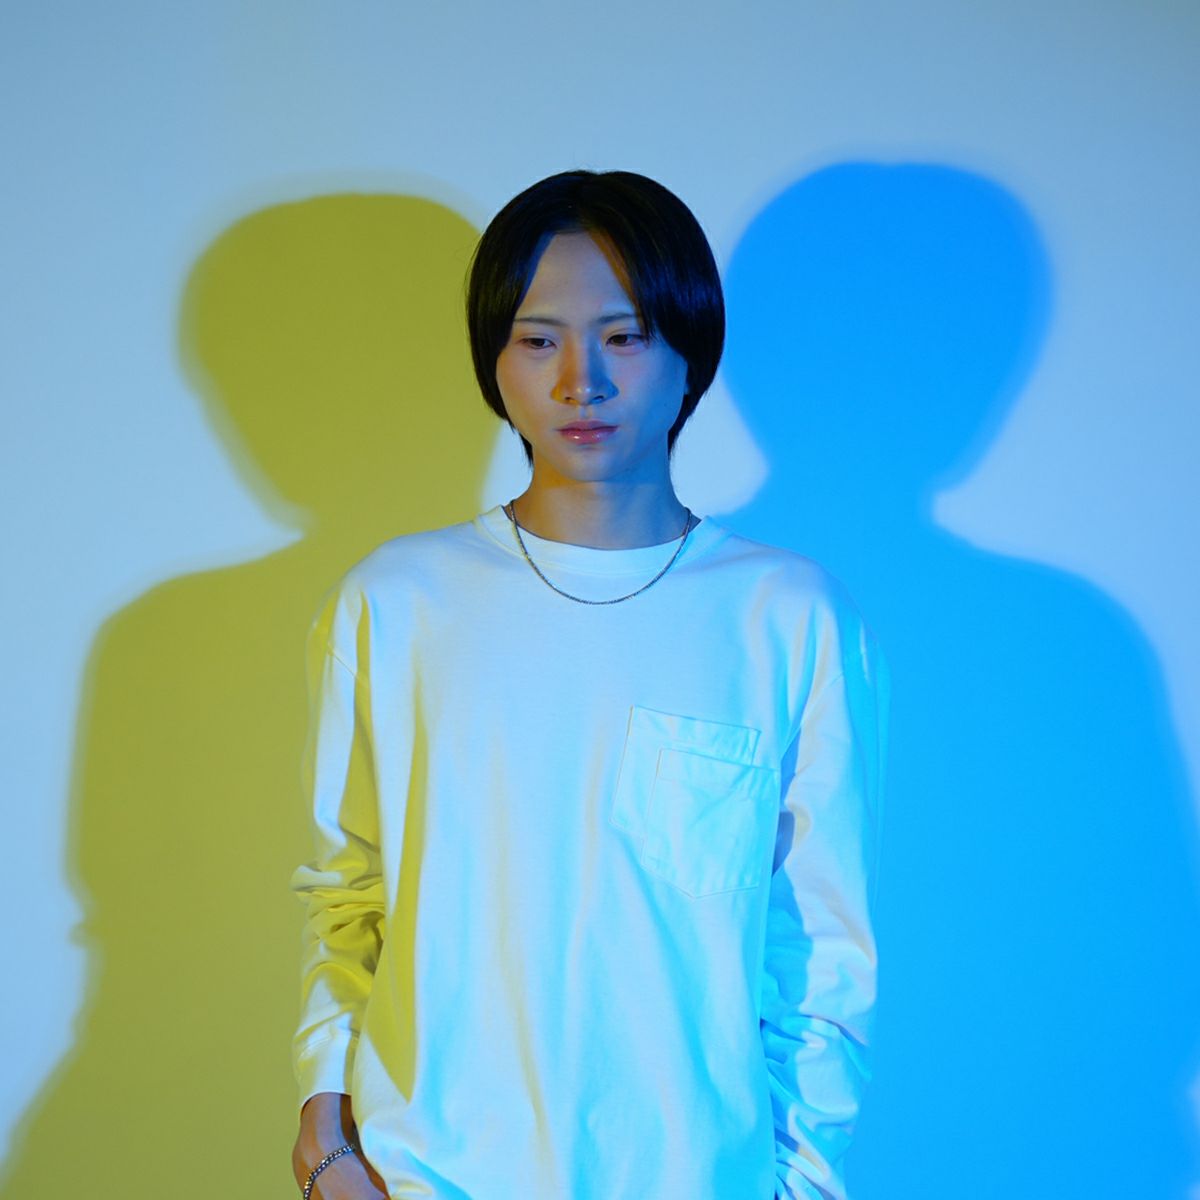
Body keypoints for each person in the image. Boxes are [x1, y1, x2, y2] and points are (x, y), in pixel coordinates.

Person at [289, 169, 889, 1200]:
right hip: (426, 1173)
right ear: (494, 359)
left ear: (691, 348)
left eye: (625, 336)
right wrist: (326, 1132)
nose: (582, 382)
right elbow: (348, 895)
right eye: (538, 340)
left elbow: (820, 951)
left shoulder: (786, 616)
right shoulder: (398, 601)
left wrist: (804, 1183)